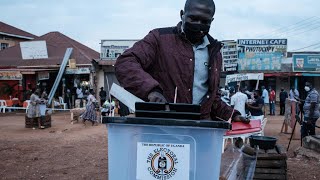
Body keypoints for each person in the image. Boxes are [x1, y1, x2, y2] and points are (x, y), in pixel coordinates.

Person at [115, 0, 245, 122]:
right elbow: (125, 63)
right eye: (193, 18)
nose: (198, 24)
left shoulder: (214, 52)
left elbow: (213, 100)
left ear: (212, 20)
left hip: (200, 128)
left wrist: (232, 114)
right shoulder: (159, 39)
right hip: (163, 124)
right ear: (182, 14)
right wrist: (151, 90)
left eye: (205, 21)